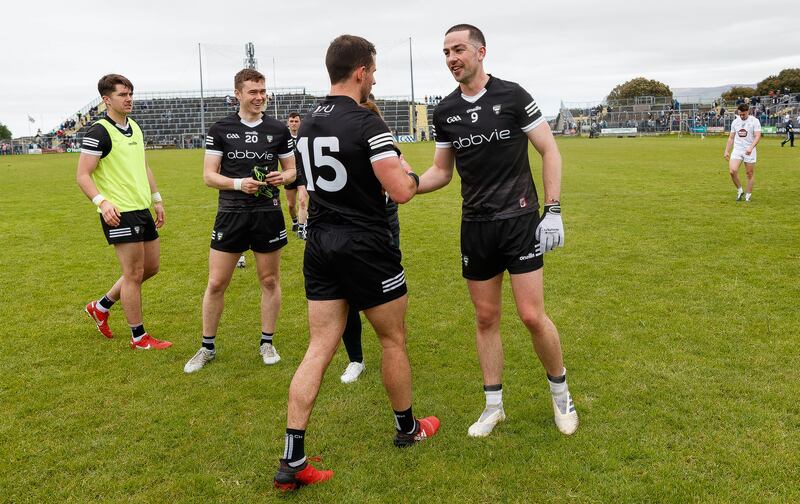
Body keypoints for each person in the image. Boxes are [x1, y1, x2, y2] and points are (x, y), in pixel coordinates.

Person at [273, 34, 439, 492]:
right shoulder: (369, 125)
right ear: (361, 72)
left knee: (318, 346)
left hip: (320, 243)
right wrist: (417, 174)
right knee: (393, 339)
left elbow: (305, 180)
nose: (374, 79)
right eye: (374, 71)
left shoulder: (305, 123)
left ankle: (292, 458)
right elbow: (402, 191)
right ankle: (408, 429)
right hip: (366, 244)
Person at [418, 24, 578, 438]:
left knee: (531, 315)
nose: (452, 59)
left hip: (520, 221)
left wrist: (554, 209)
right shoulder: (445, 111)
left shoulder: (513, 95)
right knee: (486, 317)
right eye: (446, 53)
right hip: (475, 226)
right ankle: (493, 407)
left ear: (480, 51)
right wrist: (408, 186)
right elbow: (441, 170)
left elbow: (549, 148)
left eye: (458, 50)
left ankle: (561, 395)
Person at [183, 68, 296, 373]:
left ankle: (267, 342)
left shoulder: (278, 129)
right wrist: (238, 184)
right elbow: (209, 175)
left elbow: (292, 171)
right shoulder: (220, 128)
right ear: (238, 94)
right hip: (231, 213)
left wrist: (281, 177)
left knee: (270, 280)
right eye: (253, 92)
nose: (260, 98)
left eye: (263, 91)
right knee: (217, 282)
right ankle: (206, 347)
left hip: (267, 213)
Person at [77, 74, 171, 350]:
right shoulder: (99, 131)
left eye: (130, 94)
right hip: (119, 212)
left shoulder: (135, 127)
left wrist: (157, 199)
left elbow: (143, 166)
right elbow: (83, 175)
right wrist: (102, 202)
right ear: (106, 100)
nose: (129, 99)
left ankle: (101, 306)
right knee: (133, 273)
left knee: (151, 268)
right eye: (122, 95)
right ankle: (139, 337)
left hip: (142, 208)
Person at [338, 97, 402, 384]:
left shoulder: (381, 139)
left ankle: (394, 348)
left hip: (383, 222)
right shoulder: (340, 143)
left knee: (386, 292)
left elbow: (401, 171)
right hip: (349, 225)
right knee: (346, 295)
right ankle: (355, 359)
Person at [724, 103, 761, 202]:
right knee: (732, 171)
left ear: (748, 111)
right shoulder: (735, 122)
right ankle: (740, 190)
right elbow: (731, 137)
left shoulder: (755, 121)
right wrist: (727, 150)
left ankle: (748, 196)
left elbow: (757, 136)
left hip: (750, 150)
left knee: (749, 173)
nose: (741, 116)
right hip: (737, 150)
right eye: (740, 114)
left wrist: (751, 147)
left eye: (743, 114)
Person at [283, 112, 309, 238]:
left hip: (303, 173)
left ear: (300, 122)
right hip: (289, 174)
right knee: (290, 205)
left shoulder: (305, 137)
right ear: (288, 123)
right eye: (291, 121)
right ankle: (294, 220)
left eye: (296, 121)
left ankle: (301, 229)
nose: (294, 124)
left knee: (303, 201)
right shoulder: (284, 138)